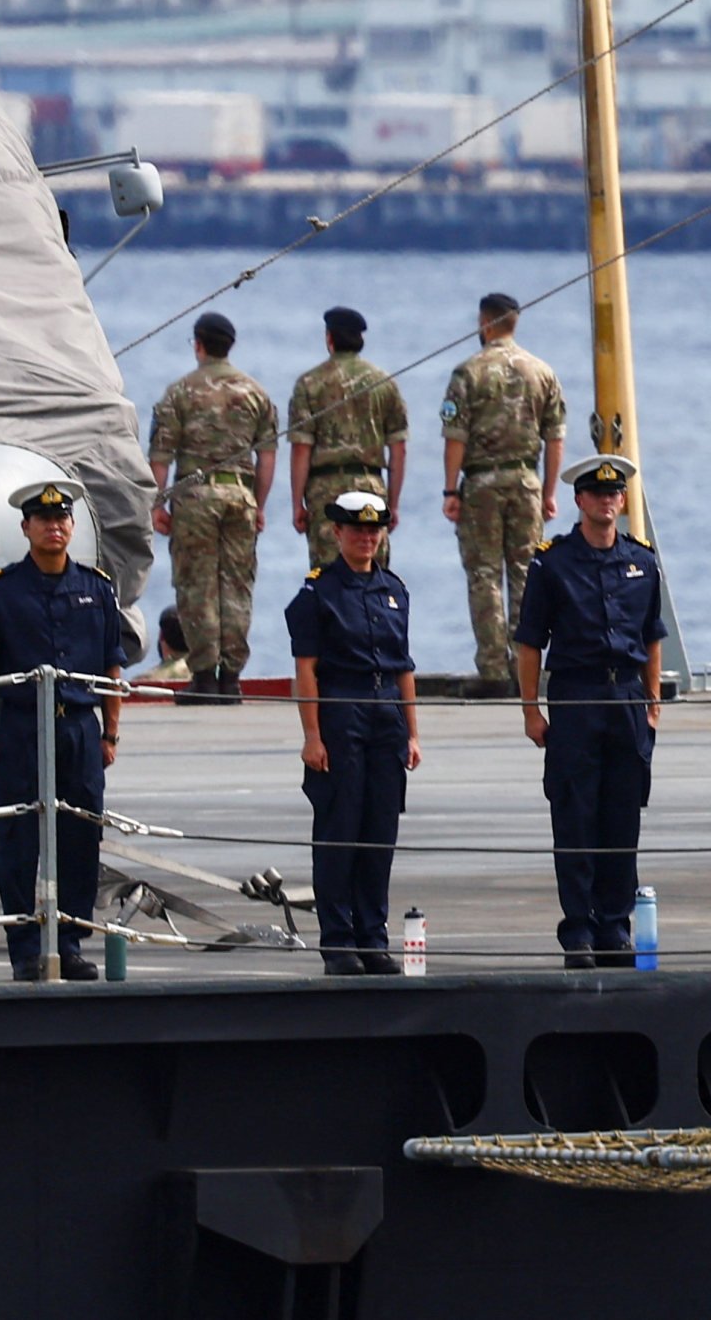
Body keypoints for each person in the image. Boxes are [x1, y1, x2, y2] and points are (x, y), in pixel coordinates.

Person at [0, 477, 129, 984]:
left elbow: (112, 668)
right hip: (21, 730)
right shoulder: (0, 591)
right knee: (19, 839)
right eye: (44, 520)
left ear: (72, 526)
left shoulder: (97, 588)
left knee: (82, 837)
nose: (54, 527)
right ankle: (24, 948)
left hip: (80, 731)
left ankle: (70, 941)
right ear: (26, 528)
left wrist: (111, 734)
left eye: (62, 519)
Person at [518, 452, 667, 969]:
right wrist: (531, 711)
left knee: (622, 820)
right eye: (597, 494)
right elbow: (530, 644)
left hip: (626, 699)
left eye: (615, 494)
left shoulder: (642, 561)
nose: (607, 501)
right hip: (577, 699)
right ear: (579, 501)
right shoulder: (551, 563)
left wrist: (651, 705)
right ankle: (578, 929)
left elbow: (652, 639)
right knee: (576, 818)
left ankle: (614, 926)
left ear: (622, 501)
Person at [287, 488, 417, 976]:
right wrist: (312, 735)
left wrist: (413, 732)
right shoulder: (318, 591)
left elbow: (404, 665)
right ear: (337, 532)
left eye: (373, 529)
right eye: (357, 529)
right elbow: (306, 670)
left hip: (387, 715)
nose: (366, 537)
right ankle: (339, 941)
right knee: (340, 830)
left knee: (379, 831)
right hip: (341, 711)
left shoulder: (394, 590)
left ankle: (372, 937)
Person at [149, 313, 279, 702]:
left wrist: (158, 503)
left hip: (195, 498)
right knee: (236, 587)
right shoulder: (255, 393)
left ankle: (204, 675)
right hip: (240, 495)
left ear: (198, 345)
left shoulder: (179, 393)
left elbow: (160, 456)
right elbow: (267, 457)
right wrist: (258, 503)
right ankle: (233, 677)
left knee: (196, 586)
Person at [441, 294, 568, 687]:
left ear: (486, 323)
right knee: (526, 576)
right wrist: (548, 492)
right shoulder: (542, 372)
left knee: (484, 576)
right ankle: (525, 670)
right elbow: (555, 438)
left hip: (481, 483)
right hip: (526, 481)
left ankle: (494, 671)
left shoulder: (468, 373)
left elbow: (455, 438)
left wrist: (450, 489)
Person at [288, 306, 409, 572]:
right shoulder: (384, 382)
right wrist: (394, 504)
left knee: (328, 574)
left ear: (329, 339)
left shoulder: (309, 383)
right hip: (372, 485)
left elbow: (301, 449)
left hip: (325, 491)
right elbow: (398, 450)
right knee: (374, 572)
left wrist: (297, 503)